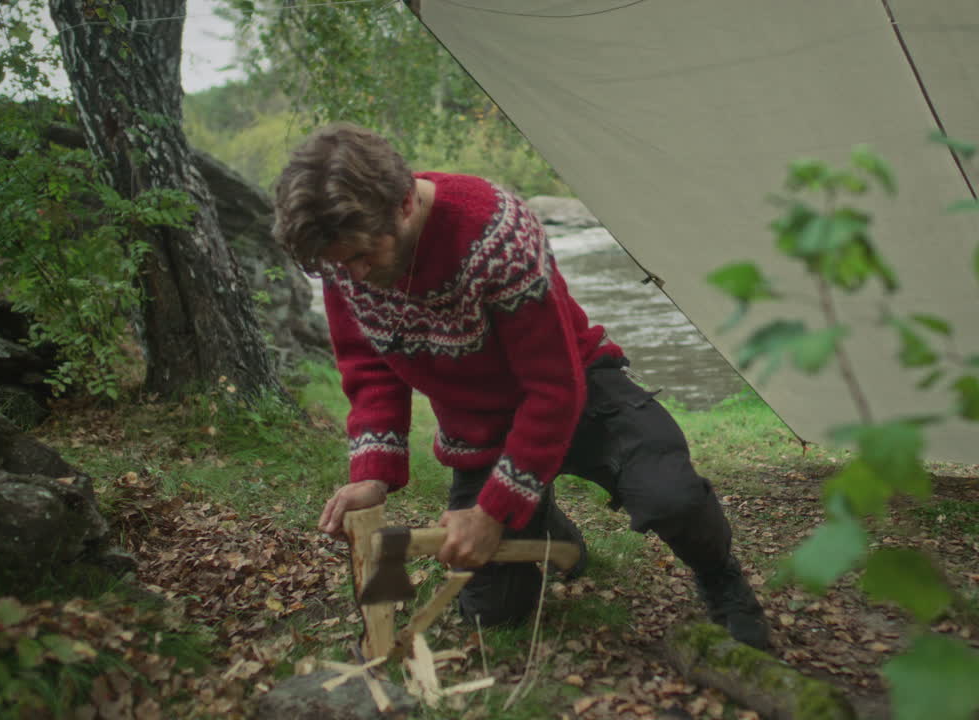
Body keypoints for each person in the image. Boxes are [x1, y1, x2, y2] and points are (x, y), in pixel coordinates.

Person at [272, 122, 769, 649]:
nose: (353, 272)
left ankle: (723, 580)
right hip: (477, 426)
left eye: (361, 256)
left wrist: (492, 512)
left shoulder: (495, 234)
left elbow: (553, 388)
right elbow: (370, 367)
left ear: (402, 206)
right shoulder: (346, 256)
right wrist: (372, 475)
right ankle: (543, 519)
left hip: (578, 391)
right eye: (338, 263)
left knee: (672, 496)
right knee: (494, 615)